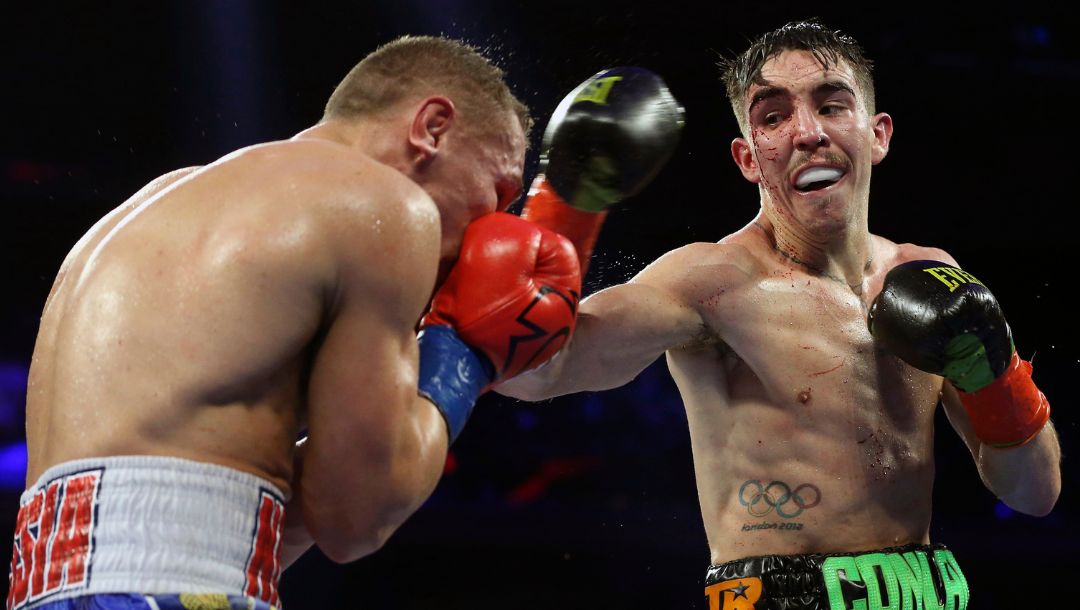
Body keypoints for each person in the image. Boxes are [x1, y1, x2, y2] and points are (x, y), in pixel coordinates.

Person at [7, 35, 586, 610]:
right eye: (498, 191)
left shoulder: (145, 210)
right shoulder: (384, 206)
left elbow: (211, 502)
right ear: (431, 128)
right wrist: (463, 354)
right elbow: (356, 518)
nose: (494, 224)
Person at [498, 20, 1061, 610]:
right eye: (773, 117)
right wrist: (565, 201)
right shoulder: (709, 282)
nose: (808, 132)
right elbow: (532, 371)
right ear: (748, 158)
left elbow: (1035, 493)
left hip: (926, 593)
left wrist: (997, 378)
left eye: (831, 104)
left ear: (877, 134)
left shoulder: (931, 276)